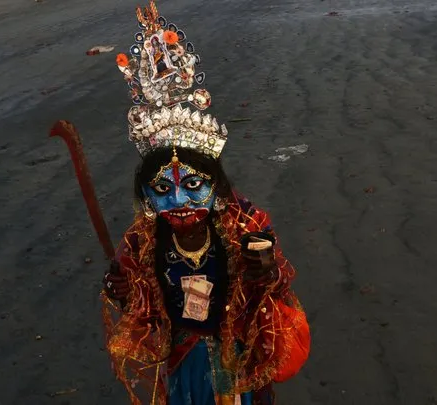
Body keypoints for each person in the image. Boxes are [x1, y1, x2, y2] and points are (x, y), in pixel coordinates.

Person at [101, 2, 310, 404]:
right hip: (184, 361)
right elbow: (141, 307)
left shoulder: (243, 224)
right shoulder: (143, 242)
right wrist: (124, 290)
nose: (179, 200)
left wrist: (265, 273)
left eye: (193, 184)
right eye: (162, 190)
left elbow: (280, 285)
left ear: (217, 185)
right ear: (146, 197)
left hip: (237, 355)